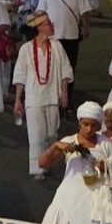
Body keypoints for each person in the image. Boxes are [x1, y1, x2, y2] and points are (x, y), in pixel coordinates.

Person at [13, 12, 73, 179]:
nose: (52, 25)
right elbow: (20, 75)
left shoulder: (56, 46)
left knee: (52, 133)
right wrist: (18, 99)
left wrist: (64, 93)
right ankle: (38, 168)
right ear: (39, 27)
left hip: (52, 97)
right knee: (36, 134)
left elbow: (65, 70)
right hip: (33, 98)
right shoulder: (26, 49)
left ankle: (47, 163)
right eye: (48, 23)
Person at [35, 0, 90, 79]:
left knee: (69, 67)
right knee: (53, 67)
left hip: (71, 36)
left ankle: (67, 94)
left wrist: (85, 27)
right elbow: (40, 12)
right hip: (52, 36)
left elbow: (84, 10)